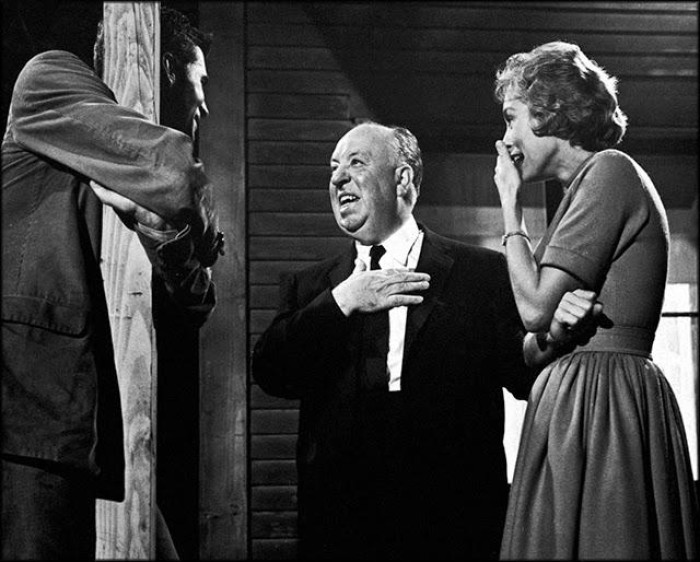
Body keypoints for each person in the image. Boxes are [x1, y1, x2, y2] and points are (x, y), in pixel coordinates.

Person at [252, 121, 600, 560]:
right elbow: (271, 371)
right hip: (340, 531)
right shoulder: (313, 287)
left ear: (402, 179)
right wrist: (344, 300)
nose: (338, 178)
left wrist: (556, 336)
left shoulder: (482, 273)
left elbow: (522, 375)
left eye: (356, 163)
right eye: (333, 167)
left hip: (453, 528)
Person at [1, 4, 222, 560]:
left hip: (78, 431)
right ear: (165, 69)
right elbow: (176, 174)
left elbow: (196, 304)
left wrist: (163, 227)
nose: (204, 104)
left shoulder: (126, 171)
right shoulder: (49, 80)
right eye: (199, 81)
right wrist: (182, 216)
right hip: (24, 407)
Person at [491, 41, 700, 559]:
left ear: (550, 109)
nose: (507, 138)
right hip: (579, 403)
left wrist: (510, 207)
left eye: (512, 117)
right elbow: (533, 342)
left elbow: (533, 310)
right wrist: (554, 333)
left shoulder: (611, 172)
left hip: (606, 405)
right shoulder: (582, 191)